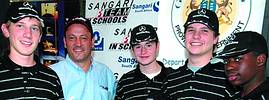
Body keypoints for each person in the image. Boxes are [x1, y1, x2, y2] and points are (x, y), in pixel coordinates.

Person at [161, 8, 236, 99]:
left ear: (215, 39)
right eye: (191, 30)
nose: (196, 36)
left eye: (204, 30)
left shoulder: (229, 79)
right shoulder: (170, 81)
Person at [0, 2, 64, 99]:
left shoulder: (51, 79)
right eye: (20, 26)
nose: (28, 34)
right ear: (6, 30)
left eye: (34, 28)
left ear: (40, 36)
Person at [50, 16, 116, 100]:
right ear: (65, 42)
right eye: (72, 38)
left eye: (83, 38)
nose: (78, 44)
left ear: (92, 42)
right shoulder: (51, 75)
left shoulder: (106, 74)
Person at [115, 24, 174, 100]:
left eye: (148, 45)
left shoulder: (175, 79)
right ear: (132, 50)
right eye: (138, 46)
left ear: (157, 46)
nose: (143, 51)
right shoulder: (125, 82)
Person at [217, 31, 269, 99]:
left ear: (260, 60)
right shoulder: (232, 95)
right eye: (226, 61)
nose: (229, 67)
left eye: (237, 59)